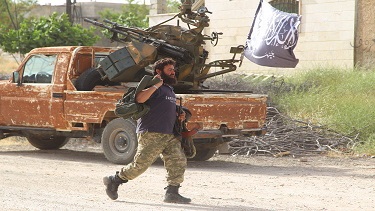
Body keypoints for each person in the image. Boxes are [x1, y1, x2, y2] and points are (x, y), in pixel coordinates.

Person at [103, 58, 191, 204]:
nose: (173, 72)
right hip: (151, 132)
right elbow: (140, 98)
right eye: (169, 70)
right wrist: (156, 86)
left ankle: (172, 192)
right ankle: (114, 180)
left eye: (173, 70)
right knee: (140, 165)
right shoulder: (152, 85)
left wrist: (179, 114)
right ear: (158, 71)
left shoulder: (169, 89)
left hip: (169, 133)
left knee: (178, 160)